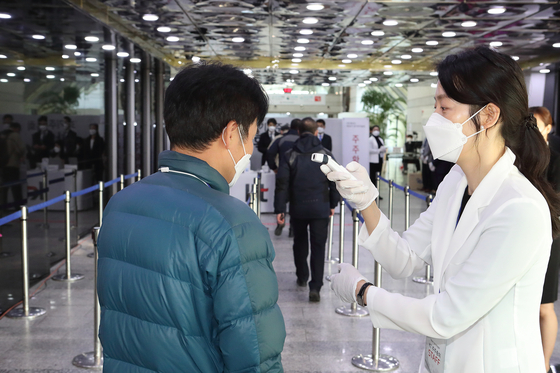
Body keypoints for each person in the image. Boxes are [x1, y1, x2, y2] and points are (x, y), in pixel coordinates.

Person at [321, 46, 560, 372]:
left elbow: (447, 315)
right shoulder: (456, 182)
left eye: (444, 108)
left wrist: (363, 292)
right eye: (434, 106)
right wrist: (366, 203)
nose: (433, 118)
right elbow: (404, 259)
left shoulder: (519, 209)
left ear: (488, 116)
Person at [97, 62, 285, 373]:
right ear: (230, 133)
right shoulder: (232, 223)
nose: (250, 148)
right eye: (249, 136)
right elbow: (254, 353)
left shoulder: (120, 204)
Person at [274, 117, 339, 302]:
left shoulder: (289, 154)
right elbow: (335, 180)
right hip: (320, 207)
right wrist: (333, 204)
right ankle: (315, 287)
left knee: (300, 243)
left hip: (298, 207)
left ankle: (302, 276)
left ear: (299, 133)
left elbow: (282, 184)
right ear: (317, 132)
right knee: (319, 246)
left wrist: (280, 209)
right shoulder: (326, 154)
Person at [530, 106, 560, 373]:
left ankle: (544, 363)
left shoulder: (557, 161)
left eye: (536, 125)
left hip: (550, 238)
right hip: (523, 238)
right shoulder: (522, 158)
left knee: (544, 306)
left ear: (548, 128)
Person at [268, 118, 301, 237]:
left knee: (281, 197)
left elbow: (270, 153)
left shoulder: (281, 140)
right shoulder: (301, 140)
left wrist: (274, 167)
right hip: (298, 175)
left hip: (283, 173)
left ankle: (280, 222)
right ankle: (293, 228)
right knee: (296, 200)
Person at [1, 122, 26, 207]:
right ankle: (18, 207)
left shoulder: (2, 135)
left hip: (2, 164)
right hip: (12, 164)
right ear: (17, 129)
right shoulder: (15, 135)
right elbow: (21, 148)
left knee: (3, 188)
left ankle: (3, 207)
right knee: (16, 187)